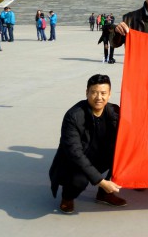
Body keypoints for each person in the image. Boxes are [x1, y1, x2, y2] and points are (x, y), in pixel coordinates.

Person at [49, 74, 126, 214]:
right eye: (94, 92)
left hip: (98, 156)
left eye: (103, 93)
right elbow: (75, 154)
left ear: (109, 94)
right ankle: (67, 196)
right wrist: (101, 181)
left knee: (123, 155)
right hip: (74, 162)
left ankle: (103, 194)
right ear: (87, 93)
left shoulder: (114, 111)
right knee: (79, 180)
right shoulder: (74, 116)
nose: (99, 97)